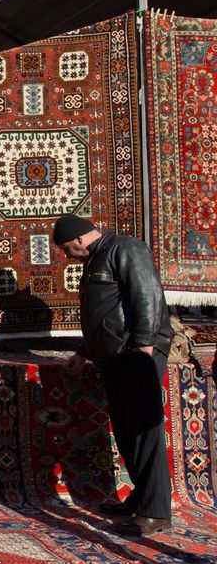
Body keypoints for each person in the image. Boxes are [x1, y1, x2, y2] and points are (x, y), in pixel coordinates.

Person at [53, 213, 173, 537]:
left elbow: (146, 295)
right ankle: (140, 498)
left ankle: (157, 511)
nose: (66, 256)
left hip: (137, 352)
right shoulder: (95, 260)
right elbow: (101, 315)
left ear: (79, 239)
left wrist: (145, 345)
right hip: (116, 357)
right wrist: (84, 352)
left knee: (144, 431)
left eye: (66, 249)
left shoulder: (126, 249)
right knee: (126, 429)